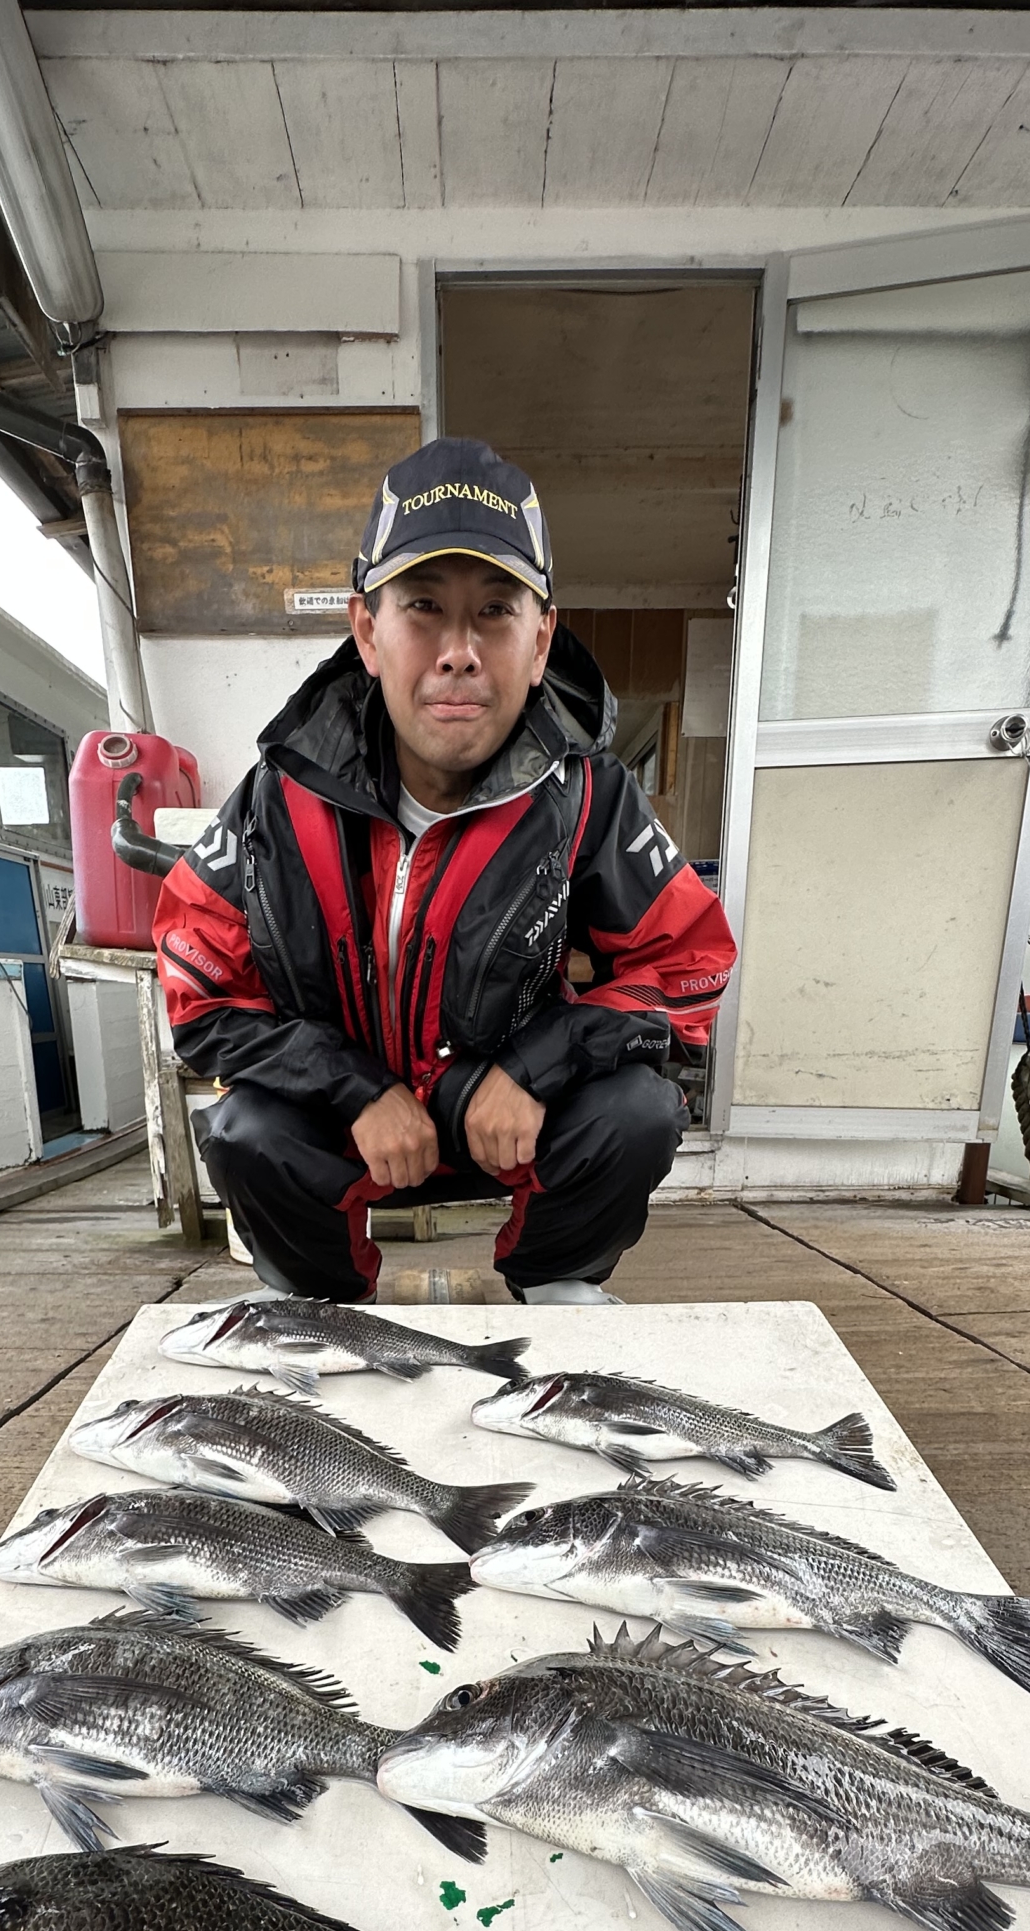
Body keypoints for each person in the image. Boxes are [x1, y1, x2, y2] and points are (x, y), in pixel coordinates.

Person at [151, 435, 737, 1305]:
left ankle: (557, 1284)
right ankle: (321, 1302)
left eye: (496, 610)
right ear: (367, 631)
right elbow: (198, 989)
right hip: (346, 1124)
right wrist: (354, 1089)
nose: (459, 650)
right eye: (423, 606)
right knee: (245, 1130)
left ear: (540, 641)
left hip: (504, 1118)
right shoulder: (276, 796)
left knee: (638, 1114)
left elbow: (688, 965)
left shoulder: (590, 796)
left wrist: (536, 1068)